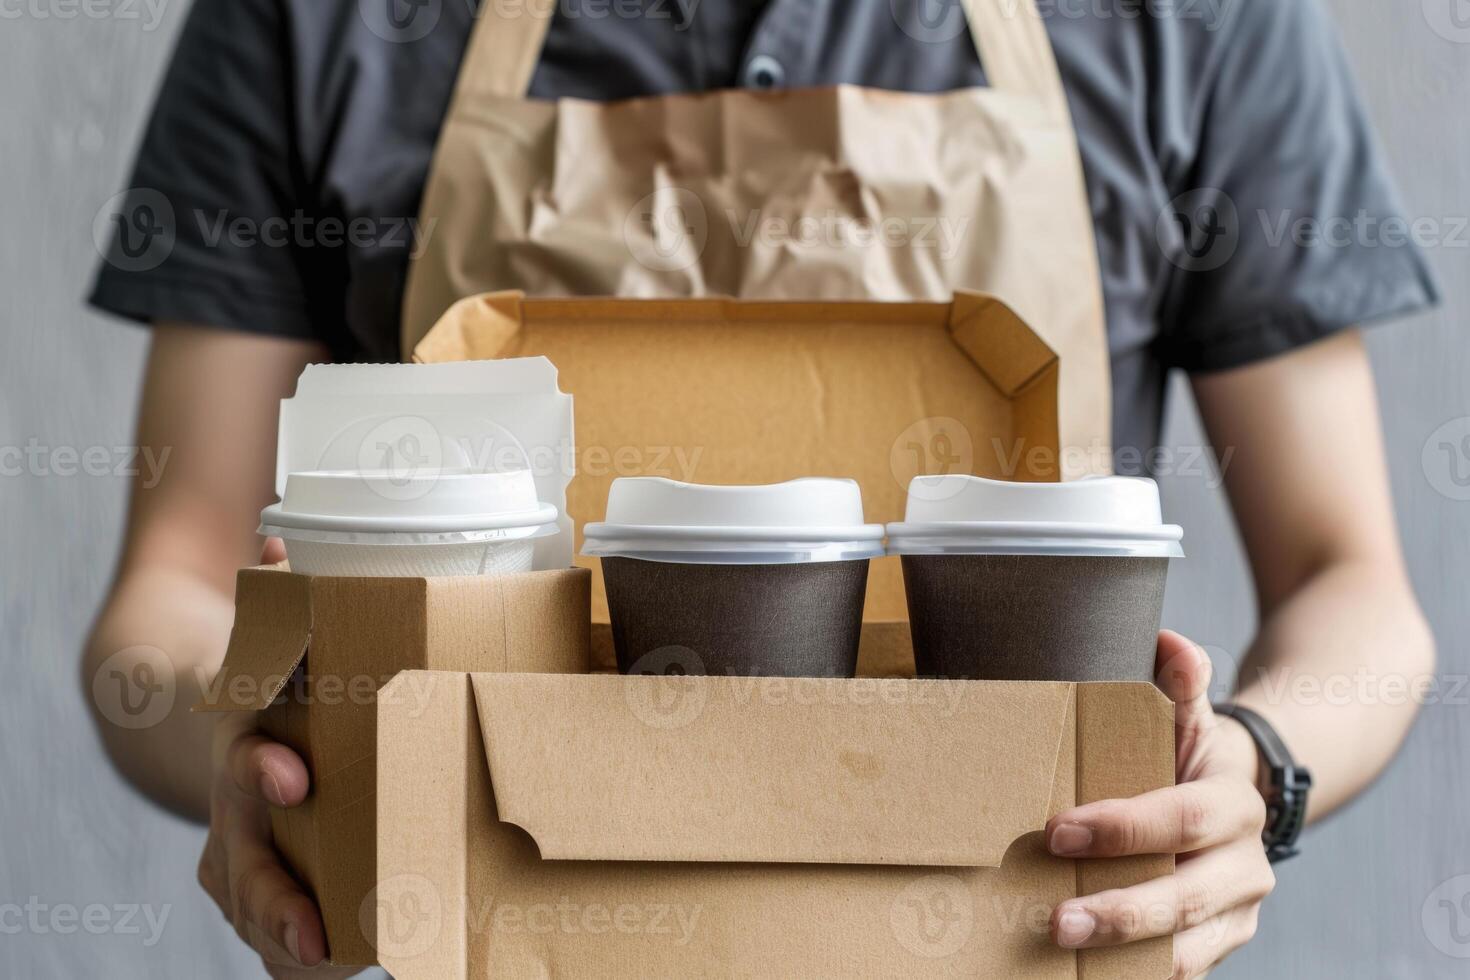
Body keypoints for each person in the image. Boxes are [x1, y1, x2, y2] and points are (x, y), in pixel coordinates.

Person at [85, 1, 1437, 977]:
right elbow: (174, 589)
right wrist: (247, 750)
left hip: (1028, 935)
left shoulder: (1204, 23)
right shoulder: (310, 22)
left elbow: (1350, 587)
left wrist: (1255, 770)